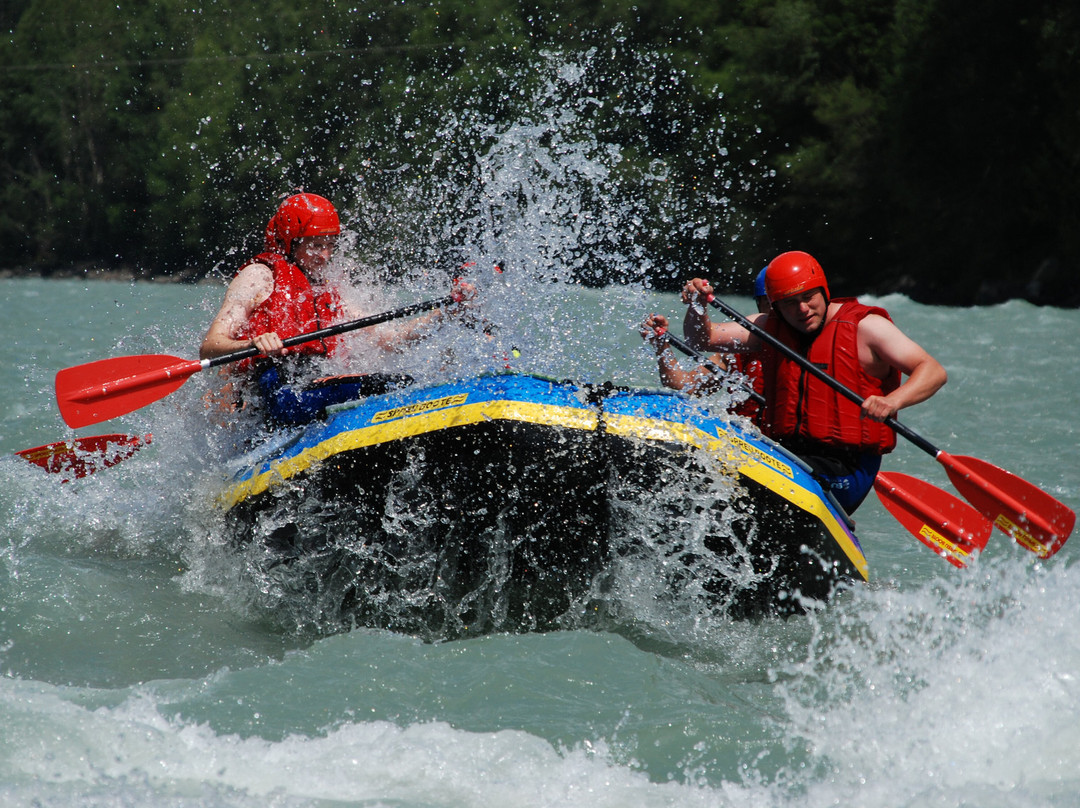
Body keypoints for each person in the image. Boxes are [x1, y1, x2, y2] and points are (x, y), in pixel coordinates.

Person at [680, 250, 947, 513]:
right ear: (775, 306)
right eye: (789, 303)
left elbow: (933, 370)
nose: (803, 309)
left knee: (757, 482)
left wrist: (892, 401)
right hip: (786, 455)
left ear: (824, 292)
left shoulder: (868, 328)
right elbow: (702, 339)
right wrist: (697, 305)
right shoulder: (768, 328)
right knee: (703, 465)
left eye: (808, 297)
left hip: (846, 467)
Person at [200, 192, 469, 426]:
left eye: (330, 245)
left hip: (313, 384)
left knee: (405, 382)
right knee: (391, 385)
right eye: (316, 245)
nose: (325, 255)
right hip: (278, 391)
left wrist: (446, 313)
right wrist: (253, 343)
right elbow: (211, 345)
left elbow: (391, 339)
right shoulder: (259, 275)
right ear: (289, 241)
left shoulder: (326, 289)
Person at [640, 268, 770, 419]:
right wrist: (661, 346)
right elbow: (685, 388)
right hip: (751, 440)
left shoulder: (803, 345)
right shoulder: (737, 353)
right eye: (770, 304)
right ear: (759, 306)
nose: (778, 314)